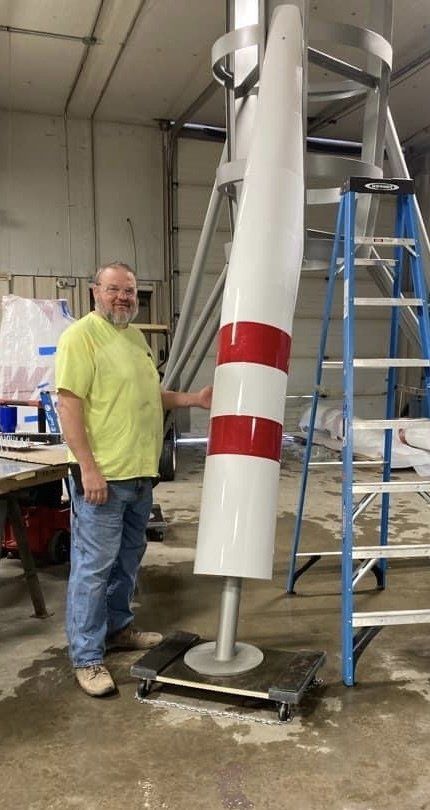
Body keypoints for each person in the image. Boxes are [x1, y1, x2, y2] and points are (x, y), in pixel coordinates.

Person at [55, 261, 212, 697]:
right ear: (94, 292)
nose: (123, 297)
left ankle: (118, 629)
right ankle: (86, 658)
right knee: (93, 568)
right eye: (114, 290)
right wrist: (88, 467)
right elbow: (68, 405)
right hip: (102, 477)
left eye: (129, 291)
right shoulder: (80, 338)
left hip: (140, 474)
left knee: (127, 559)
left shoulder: (135, 338)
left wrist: (193, 399)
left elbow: (150, 395)